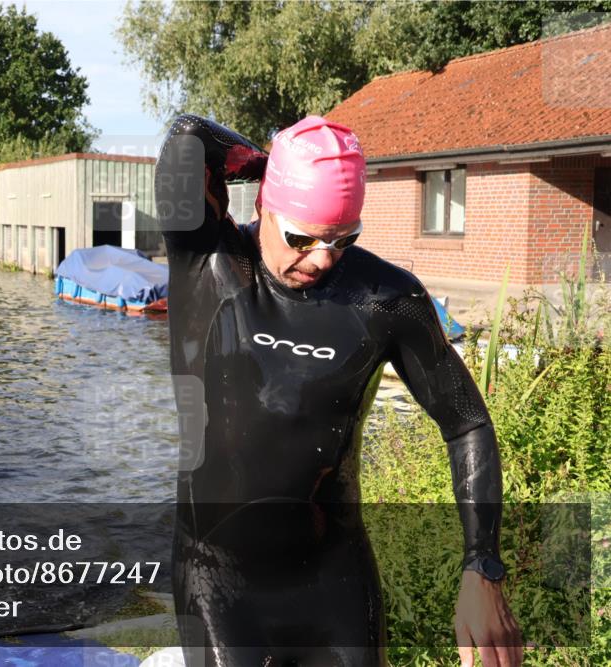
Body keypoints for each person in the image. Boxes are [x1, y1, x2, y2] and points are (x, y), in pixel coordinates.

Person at [156, 114, 521, 667]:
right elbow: (187, 136)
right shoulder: (206, 260)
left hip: (334, 578)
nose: (323, 258)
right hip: (218, 580)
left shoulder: (386, 300)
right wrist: (265, 160)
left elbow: (466, 421)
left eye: (343, 239)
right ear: (262, 206)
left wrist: (482, 567)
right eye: (301, 237)